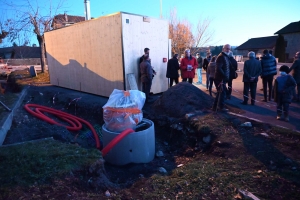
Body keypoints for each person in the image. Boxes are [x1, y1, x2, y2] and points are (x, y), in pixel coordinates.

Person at [212, 44, 231, 111]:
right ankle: (220, 107)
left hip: (222, 79)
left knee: (220, 93)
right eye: (227, 48)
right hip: (219, 79)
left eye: (229, 49)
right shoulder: (221, 57)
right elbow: (218, 68)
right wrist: (224, 75)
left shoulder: (225, 56)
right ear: (223, 49)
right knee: (222, 93)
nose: (228, 50)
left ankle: (215, 107)